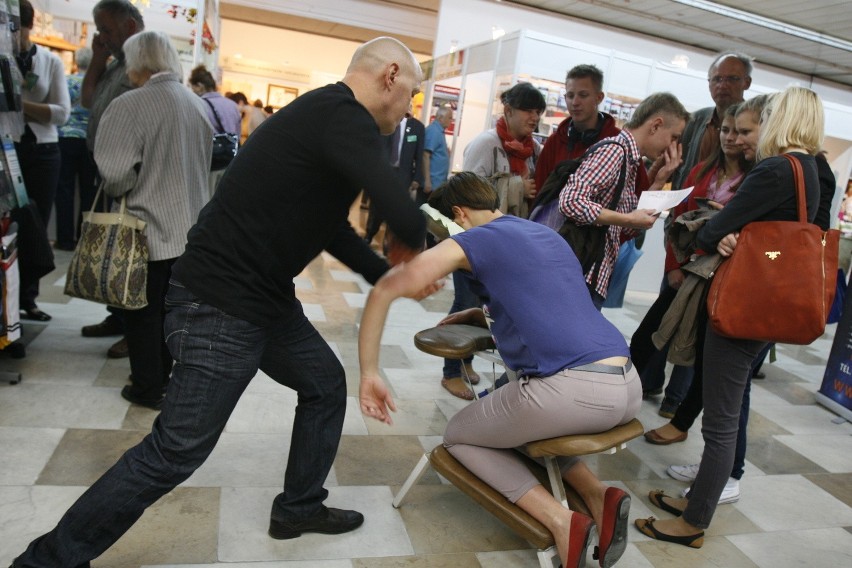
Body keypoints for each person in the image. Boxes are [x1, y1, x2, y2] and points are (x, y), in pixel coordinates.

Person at [11, 36, 427, 567]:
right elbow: (403, 210)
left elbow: (332, 230)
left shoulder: (328, 117)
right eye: (412, 93)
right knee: (175, 452)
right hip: (220, 302)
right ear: (390, 75)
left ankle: (299, 506)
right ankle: (45, 561)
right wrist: (423, 255)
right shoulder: (340, 113)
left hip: (260, 296)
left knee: (323, 384)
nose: (410, 107)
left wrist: (389, 276)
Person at [358, 172, 641, 568]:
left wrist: (369, 372)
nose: (445, 244)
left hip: (576, 391)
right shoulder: (543, 233)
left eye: (442, 233)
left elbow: (386, 289)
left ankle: (562, 522)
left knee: (460, 436)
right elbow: (552, 306)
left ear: (457, 214)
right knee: (514, 428)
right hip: (626, 383)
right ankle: (598, 495)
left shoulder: (472, 238)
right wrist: (484, 314)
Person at [636, 86, 829, 547]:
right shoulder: (811, 170)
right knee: (726, 410)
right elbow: (784, 238)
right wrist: (743, 232)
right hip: (770, 305)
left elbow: (714, 232)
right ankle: (696, 500)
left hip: (742, 307)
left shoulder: (776, 168)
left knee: (720, 423)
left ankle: (694, 521)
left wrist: (726, 229)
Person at [94, 31, 212, 409]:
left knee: (141, 313)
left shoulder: (130, 104)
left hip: (145, 229)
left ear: (137, 63)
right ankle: (165, 379)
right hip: (191, 232)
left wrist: (133, 182)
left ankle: (147, 388)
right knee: (170, 312)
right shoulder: (196, 106)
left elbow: (114, 175)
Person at [642, 52, 754, 399]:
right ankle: (648, 383)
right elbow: (681, 199)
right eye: (716, 79)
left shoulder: (756, 172)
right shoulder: (698, 126)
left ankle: (677, 402)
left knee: (696, 336)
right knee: (660, 326)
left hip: (717, 268)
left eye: (731, 79)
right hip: (683, 249)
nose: (722, 86)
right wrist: (673, 258)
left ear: (746, 83)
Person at [436, 83, 546, 399]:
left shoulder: (534, 149)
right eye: (528, 109)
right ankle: (450, 372)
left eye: (538, 111)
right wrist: (516, 187)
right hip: (474, 240)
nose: (534, 117)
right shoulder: (486, 143)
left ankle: (465, 360)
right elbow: (466, 193)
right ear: (508, 110)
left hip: (509, 242)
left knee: (488, 307)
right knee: (465, 304)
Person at [558, 93, 688, 309]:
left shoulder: (630, 159)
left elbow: (631, 225)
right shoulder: (615, 152)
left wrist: (661, 179)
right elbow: (571, 201)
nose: (672, 145)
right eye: (673, 137)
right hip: (579, 273)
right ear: (656, 125)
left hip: (589, 273)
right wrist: (627, 219)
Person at [78, 0, 145, 358]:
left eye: (106, 29)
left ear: (130, 26)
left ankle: (132, 327)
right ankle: (116, 316)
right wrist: (97, 58)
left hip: (129, 174)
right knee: (108, 244)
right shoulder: (116, 64)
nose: (102, 36)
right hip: (104, 169)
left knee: (128, 253)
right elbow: (88, 100)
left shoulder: (144, 64)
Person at [14, 0, 71, 322]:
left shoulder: (48, 61)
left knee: (34, 227)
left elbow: (62, 113)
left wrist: (18, 105)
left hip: (43, 152)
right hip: (7, 148)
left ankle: (28, 297)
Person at [534, 64, 650, 197]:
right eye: (570, 96)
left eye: (583, 95)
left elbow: (640, 193)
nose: (575, 102)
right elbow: (539, 194)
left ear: (599, 97)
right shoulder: (555, 141)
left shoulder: (621, 143)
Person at [54, 47, 96, 252]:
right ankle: (84, 239)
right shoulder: (96, 85)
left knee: (64, 190)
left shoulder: (67, 81)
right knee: (88, 192)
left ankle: (64, 239)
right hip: (89, 141)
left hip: (66, 138)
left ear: (76, 62)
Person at [364, 110, 425, 243]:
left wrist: (417, 178)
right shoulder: (387, 121)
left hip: (403, 175)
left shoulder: (417, 127)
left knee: (397, 209)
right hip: (383, 172)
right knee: (377, 206)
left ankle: (389, 242)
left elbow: (420, 155)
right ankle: (369, 234)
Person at [188, 64, 241, 197]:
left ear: (199, 85)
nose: (192, 90)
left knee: (206, 199)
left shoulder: (199, 105)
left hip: (209, 163)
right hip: (230, 163)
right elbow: (237, 135)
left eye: (192, 87)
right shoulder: (233, 106)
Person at [422, 104, 453, 198]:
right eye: (449, 118)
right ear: (440, 118)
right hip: (431, 184)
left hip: (437, 184)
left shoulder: (439, 131)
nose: (451, 121)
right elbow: (425, 155)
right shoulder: (434, 131)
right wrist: (427, 181)